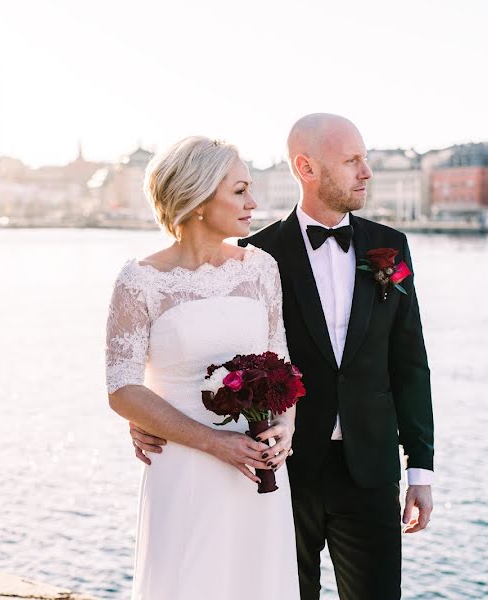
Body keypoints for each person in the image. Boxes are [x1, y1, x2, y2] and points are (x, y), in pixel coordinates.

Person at [130, 114, 435, 599]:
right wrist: (152, 412)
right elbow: (215, 356)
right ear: (306, 168)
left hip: (371, 468)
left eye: (365, 158)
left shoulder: (390, 247)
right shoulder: (256, 256)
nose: (366, 171)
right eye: (351, 160)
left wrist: (420, 467)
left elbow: (410, 362)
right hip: (283, 468)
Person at [105, 136, 300, 600]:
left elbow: (283, 366)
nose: (253, 203)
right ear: (196, 197)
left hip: (256, 468)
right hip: (185, 466)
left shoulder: (261, 269)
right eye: (239, 190)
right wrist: (214, 442)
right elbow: (121, 388)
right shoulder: (140, 281)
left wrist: (286, 427)